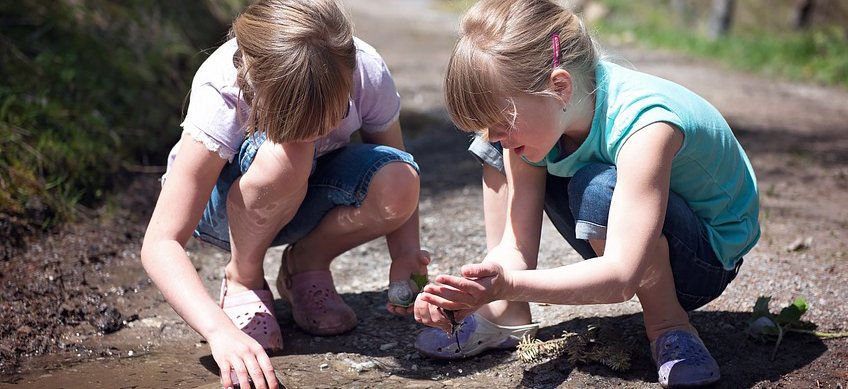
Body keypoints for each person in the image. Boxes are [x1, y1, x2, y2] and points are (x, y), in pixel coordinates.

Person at [412, 0, 759, 387]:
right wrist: (473, 291)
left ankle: (668, 325)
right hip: (631, 232)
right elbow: (515, 248)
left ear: (559, 87)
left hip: (702, 262)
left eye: (501, 121)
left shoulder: (645, 125)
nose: (494, 134)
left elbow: (621, 277)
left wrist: (510, 282)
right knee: (502, 150)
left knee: (596, 188)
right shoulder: (544, 118)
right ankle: (507, 315)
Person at [140, 0, 429, 388]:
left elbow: (395, 159)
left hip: (307, 195)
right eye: (300, 121)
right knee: (290, 155)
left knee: (400, 178)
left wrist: (406, 255)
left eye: (335, 112)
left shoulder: (366, 67)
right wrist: (219, 331)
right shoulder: (223, 85)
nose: (324, 128)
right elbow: (160, 242)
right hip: (227, 209)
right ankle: (244, 278)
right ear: (254, 88)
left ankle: (306, 263)